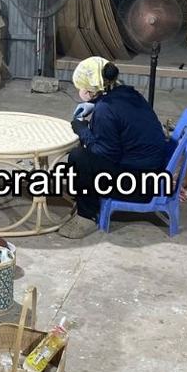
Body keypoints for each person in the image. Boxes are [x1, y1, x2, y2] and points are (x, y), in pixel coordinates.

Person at [58, 56, 169, 239]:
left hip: (137, 186)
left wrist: (82, 129)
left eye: (81, 87)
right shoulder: (130, 93)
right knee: (85, 153)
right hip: (153, 173)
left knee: (79, 157)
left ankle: (86, 216)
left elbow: (103, 153)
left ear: (89, 90)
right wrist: (94, 105)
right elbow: (120, 116)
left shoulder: (105, 110)